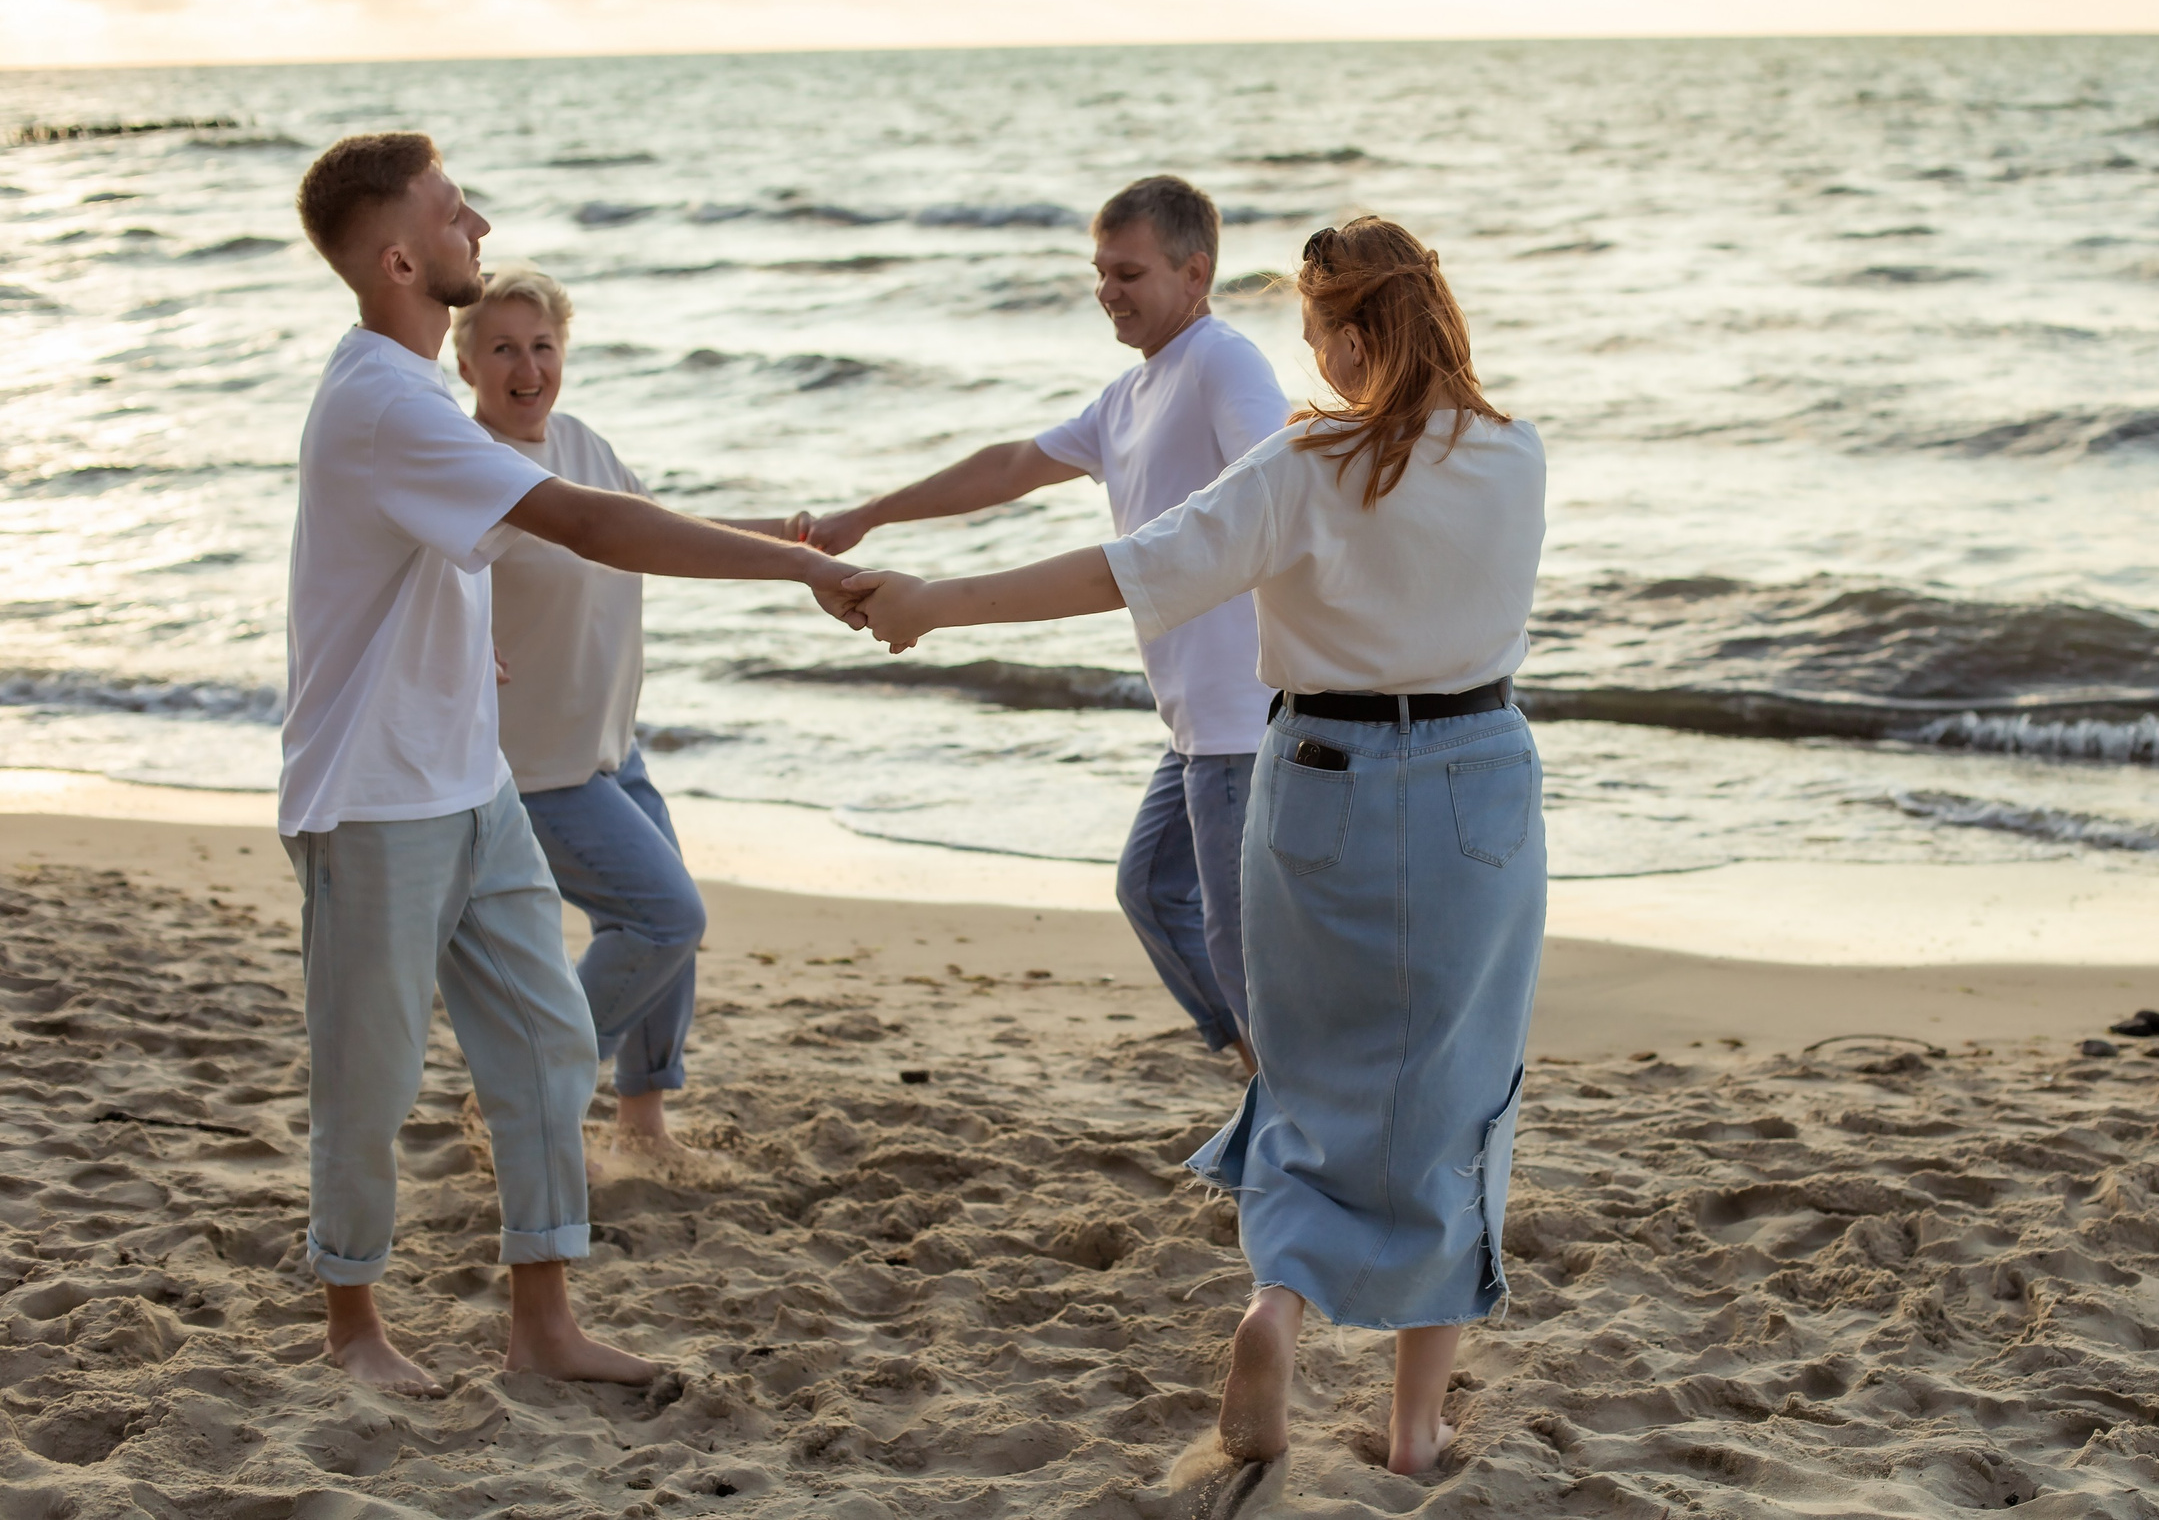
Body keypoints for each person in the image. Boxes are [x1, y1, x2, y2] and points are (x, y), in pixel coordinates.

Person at [841, 216, 1547, 1479]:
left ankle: (1273, 1310)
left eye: (1315, 334)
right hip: (1476, 785)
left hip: (1319, 780)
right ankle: (1415, 1428)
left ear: (1342, 332)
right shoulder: (1514, 454)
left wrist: (939, 598)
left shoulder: (1302, 463)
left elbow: (1135, 567)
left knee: (1301, 1071)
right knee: (1457, 1083)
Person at [282, 132, 862, 1396]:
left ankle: (541, 1325)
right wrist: (805, 564)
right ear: (396, 256)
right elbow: (587, 526)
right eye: (451, 212)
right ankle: (352, 1333)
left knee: (547, 1051)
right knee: (368, 1078)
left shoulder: (417, 399)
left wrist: (460, 647)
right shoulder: (383, 402)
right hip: (375, 798)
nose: (477, 224)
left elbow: (432, 561)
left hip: (472, 781)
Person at [807, 175, 1287, 1072]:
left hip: (1243, 714)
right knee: (1151, 890)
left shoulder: (1223, 361)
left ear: (1196, 272)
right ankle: (1269, 1075)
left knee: (1241, 952)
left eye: (1129, 271)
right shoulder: (1129, 395)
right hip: (1194, 723)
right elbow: (1011, 465)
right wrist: (871, 513)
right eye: (1100, 270)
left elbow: (1281, 483)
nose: (1107, 289)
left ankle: (1289, 1105)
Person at [455, 264, 822, 1159]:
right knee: (664, 919)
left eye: (543, 346)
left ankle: (642, 1122)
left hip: (612, 748)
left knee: (669, 933)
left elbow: (653, 528)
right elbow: (412, 585)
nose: (527, 366)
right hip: (534, 769)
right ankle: (527, 1085)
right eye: (502, 346)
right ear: (463, 359)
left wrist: (781, 536)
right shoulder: (466, 469)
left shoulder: (580, 442)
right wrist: (460, 646)